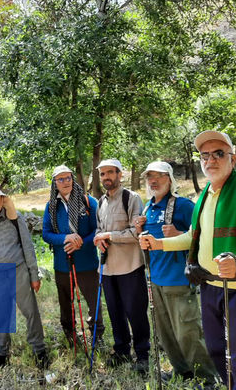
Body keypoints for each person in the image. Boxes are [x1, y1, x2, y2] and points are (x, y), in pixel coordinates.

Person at [140, 131, 236, 389]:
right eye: (205, 155)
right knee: (215, 350)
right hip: (210, 287)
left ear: (233, 159)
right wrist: (159, 244)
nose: (210, 160)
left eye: (219, 153)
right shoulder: (204, 196)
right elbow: (193, 236)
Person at [134, 162, 217, 386]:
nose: (153, 181)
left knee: (188, 333)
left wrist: (179, 233)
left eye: (159, 176)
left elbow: (203, 238)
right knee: (166, 334)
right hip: (156, 281)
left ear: (170, 179)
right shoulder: (147, 208)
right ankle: (183, 372)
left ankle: (207, 379)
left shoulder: (183, 205)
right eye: (150, 177)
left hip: (178, 280)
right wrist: (139, 231)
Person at [0, 183, 48, 369]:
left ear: (2, 199)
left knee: (30, 312)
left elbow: (28, 247)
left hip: (18, 270)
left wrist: (34, 274)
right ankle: (2, 352)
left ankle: (40, 351)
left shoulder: (15, 218)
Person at [92, 159, 150, 372]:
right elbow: (99, 229)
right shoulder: (100, 202)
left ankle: (143, 355)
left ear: (119, 175)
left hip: (130, 266)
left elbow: (137, 232)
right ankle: (122, 351)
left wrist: (110, 236)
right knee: (115, 313)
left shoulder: (131, 198)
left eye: (110, 173)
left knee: (136, 313)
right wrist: (99, 238)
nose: (106, 177)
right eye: (103, 174)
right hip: (107, 268)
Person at [41, 165, 103, 346]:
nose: (65, 182)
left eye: (68, 178)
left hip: (87, 262)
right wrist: (65, 238)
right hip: (62, 263)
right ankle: (70, 334)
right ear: (55, 183)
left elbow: (98, 229)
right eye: (60, 179)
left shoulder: (88, 202)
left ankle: (97, 335)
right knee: (65, 303)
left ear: (72, 179)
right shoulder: (51, 206)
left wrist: (80, 242)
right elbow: (46, 233)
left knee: (93, 300)